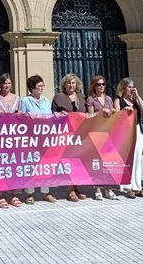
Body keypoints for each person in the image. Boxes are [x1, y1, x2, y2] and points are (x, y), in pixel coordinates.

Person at [19, 75, 57, 204]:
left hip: (45, 137)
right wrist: (26, 115)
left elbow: (50, 115)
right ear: (32, 88)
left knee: (45, 165)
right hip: (31, 139)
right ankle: (29, 193)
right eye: (39, 86)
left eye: (42, 86)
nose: (41, 88)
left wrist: (56, 115)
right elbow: (20, 119)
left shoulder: (46, 100)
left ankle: (46, 192)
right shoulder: (25, 101)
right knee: (31, 165)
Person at [0, 73, 24, 208]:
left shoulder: (17, 98)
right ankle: (1, 195)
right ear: (0, 84)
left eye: (9, 83)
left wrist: (20, 114)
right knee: (0, 167)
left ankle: (14, 195)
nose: (7, 86)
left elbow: (22, 116)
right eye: (4, 83)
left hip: (14, 138)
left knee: (14, 166)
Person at [52, 73, 87, 201]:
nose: (71, 85)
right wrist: (58, 113)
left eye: (73, 83)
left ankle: (77, 187)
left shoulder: (82, 97)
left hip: (81, 134)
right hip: (66, 134)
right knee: (69, 161)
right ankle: (70, 190)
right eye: (68, 83)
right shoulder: (59, 97)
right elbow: (52, 114)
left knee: (79, 161)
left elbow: (88, 112)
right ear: (64, 85)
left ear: (77, 84)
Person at [114, 77, 143, 199]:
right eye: (129, 87)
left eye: (132, 86)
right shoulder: (119, 100)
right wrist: (124, 111)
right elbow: (116, 117)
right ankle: (127, 186)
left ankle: (137, 186)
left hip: (137, 130)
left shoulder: (135, 100)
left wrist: (138, 96)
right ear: (123, 88)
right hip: (125, 133)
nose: (131, 89)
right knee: (127, 160)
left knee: (137, 159)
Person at [85, 75, 117, 200]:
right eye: (98, 84)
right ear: (94, 86)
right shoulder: (91, 99)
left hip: (108, 133)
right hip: (96, 132)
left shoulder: (109, 99)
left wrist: (113, 111)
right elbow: (90, 116)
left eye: (103, 84)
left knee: (108, 161)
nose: (101, 87)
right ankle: (97, 187)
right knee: (96, 162)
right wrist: (102, 112)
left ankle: (108, 188)